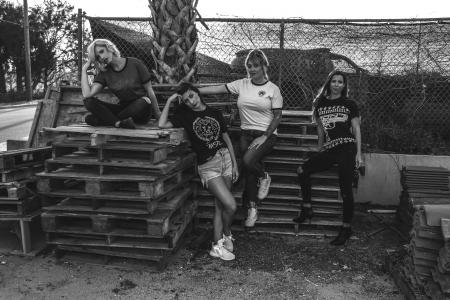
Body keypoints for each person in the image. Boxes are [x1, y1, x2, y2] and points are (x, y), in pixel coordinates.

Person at [198, 49, 283, 228]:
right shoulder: (242, 84)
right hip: (246, 133)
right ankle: (252, 209)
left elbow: (277, 116)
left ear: (264, 66)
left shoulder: (273, 89)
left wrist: (265, 136)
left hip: (266, 134)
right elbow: (219, 88)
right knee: (249, 168)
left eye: (256, 66)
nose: (252, 69)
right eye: (249, 66)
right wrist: (194, 90)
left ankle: (265, 176)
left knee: (248, 160)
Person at [158, 83, 239, 261]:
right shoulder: (184, 115)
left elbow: (226, 138)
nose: (191, 101)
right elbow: (162, 124)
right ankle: (226, 233)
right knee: (231, 205)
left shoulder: (215, 113)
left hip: (225, 159)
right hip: (208, 166)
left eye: (192, 96)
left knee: (220, 205)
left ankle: (217, 245)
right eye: (186, 100)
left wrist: (234, 163)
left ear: (198, 93)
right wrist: (172, 100)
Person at [293, 69, 363, 246]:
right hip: (331, 149)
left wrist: (359, 154)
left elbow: (356, 129)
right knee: (302, 170)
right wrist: (319, 150)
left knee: (346, 188)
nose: (337, 84)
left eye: (341, 82)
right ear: (329, 83)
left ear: (344, 85)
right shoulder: (321, 104)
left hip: (347, 147)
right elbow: (320, 131)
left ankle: (346, 228)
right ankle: (307, 208)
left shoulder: (350, 104)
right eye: (334, 81)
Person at [81, 39, 161, 129]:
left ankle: (110, 120)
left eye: (102, 51)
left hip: (141, 109)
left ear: (109, 48)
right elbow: (87, 94)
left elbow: (149, 90)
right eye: (98, 57)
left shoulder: (135, 63)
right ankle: (118, 123)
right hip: (123, 108)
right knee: (88, 101)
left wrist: (158, 114)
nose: (102, 57)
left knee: (144, 101)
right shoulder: (105, 73)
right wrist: (84, 71)